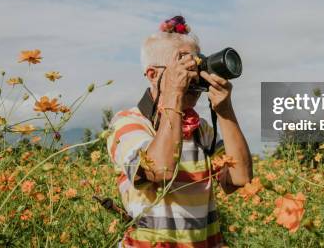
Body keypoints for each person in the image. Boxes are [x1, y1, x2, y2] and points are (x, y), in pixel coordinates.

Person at [107, 15, 253, 247]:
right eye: (183, 64)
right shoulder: (128, 123)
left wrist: (225, 112)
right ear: (153, 75)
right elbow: (158, 170)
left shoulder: (201, 129)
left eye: (197, 64)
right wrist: (173, 93)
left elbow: (239, 178)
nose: (193, 74)